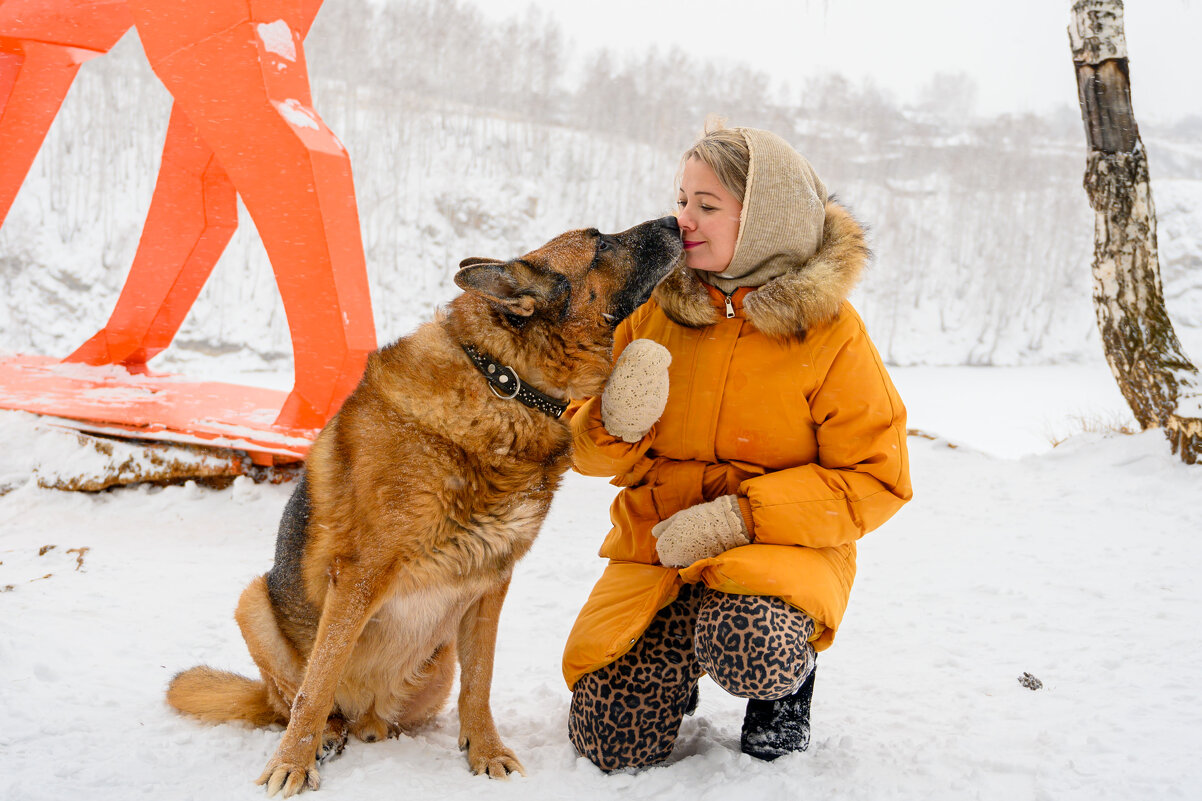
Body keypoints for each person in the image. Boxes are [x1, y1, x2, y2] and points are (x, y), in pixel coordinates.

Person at [562, 123, 913, 770]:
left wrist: (739, 517)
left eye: (707, 205)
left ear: (763, 222)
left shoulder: (829, 333)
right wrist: (612, 422)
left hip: (780, 548)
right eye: (682, 198)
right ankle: (676, 657)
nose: (683, 218)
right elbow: (587, 455)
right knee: (610, 739)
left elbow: (877, 478)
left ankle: (784, 691)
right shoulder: (651, 309)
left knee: (753, 644)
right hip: (659, 546)